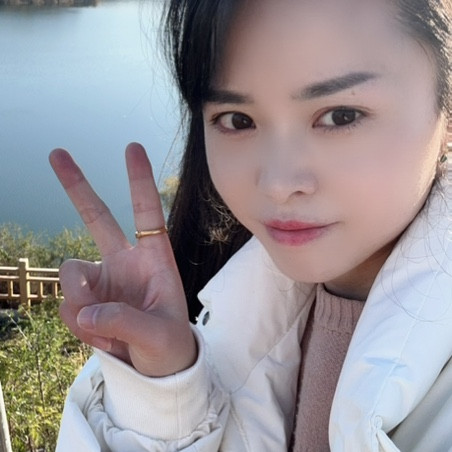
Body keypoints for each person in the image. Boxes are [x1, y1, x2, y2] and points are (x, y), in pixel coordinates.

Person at [50, 0, 452, 450]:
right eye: (237, 120)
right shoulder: (235, 313)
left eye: (341, 116)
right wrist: (161, 398)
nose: (278, 184)